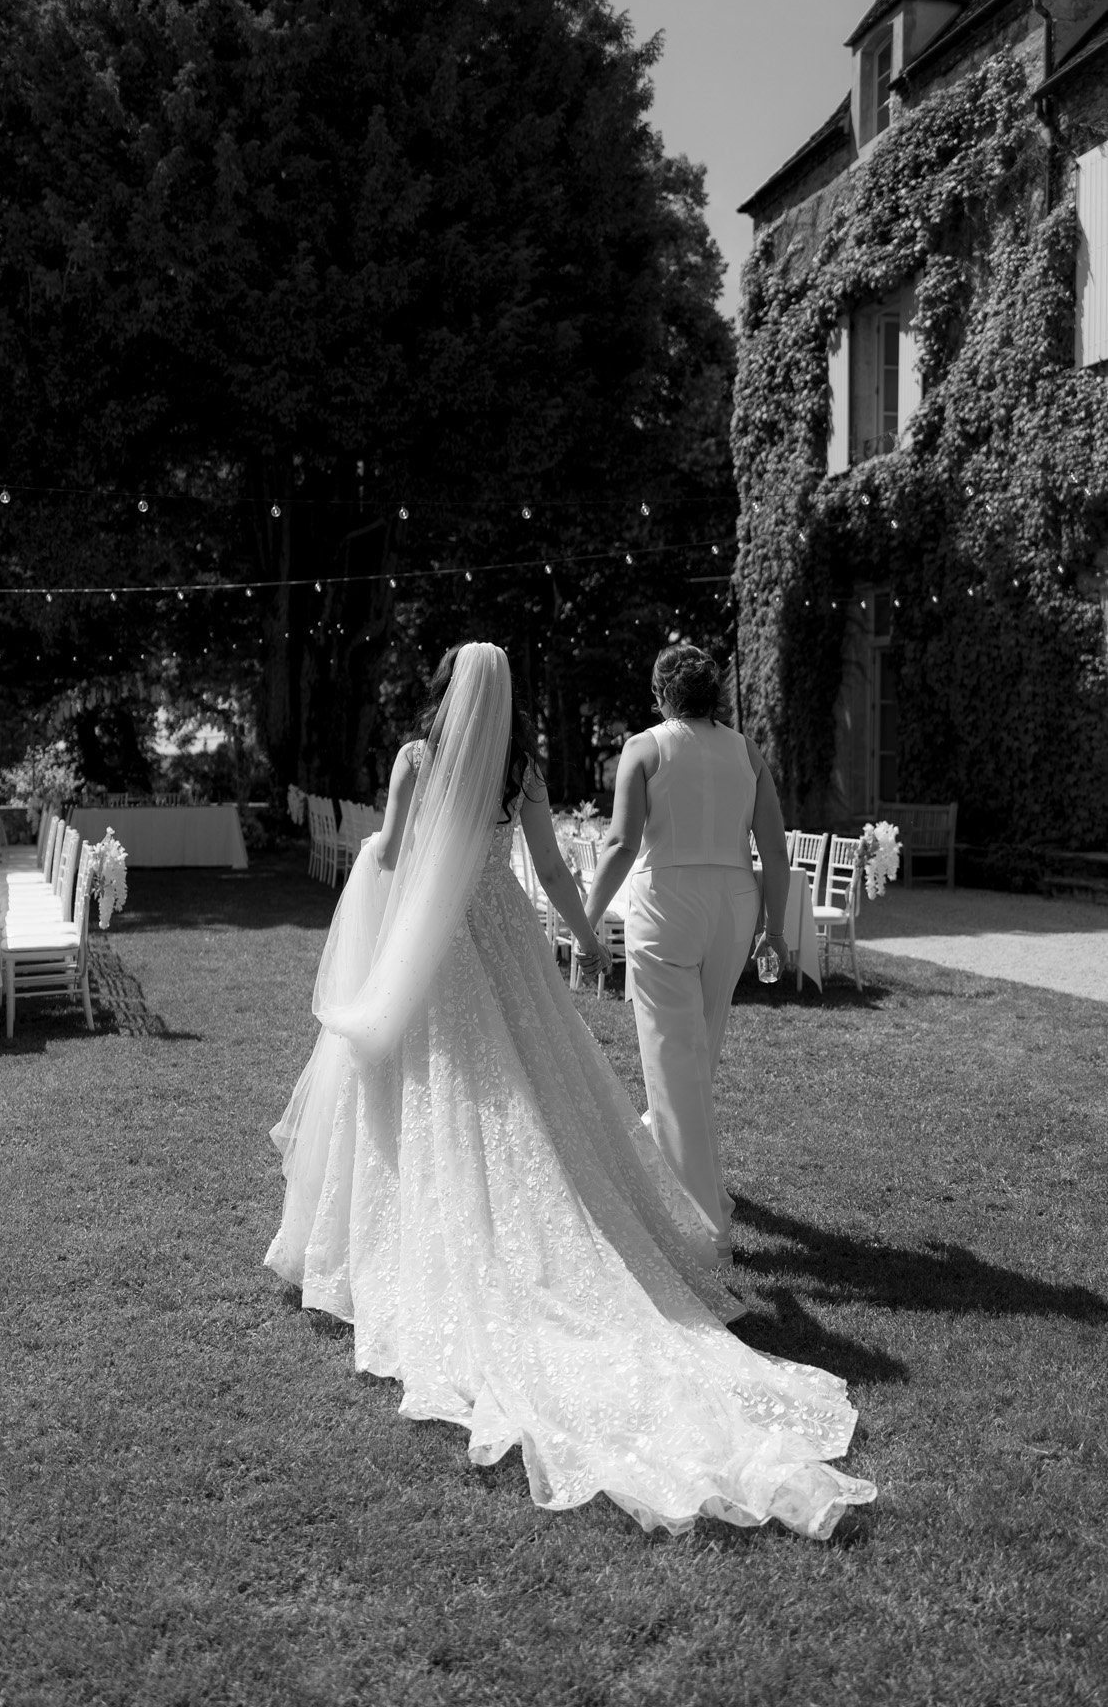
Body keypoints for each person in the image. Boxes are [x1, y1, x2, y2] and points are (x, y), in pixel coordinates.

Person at [266, 642, 872, 1539]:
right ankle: (640, 1203)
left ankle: (400, 1231)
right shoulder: (521, 771)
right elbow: (549, 870)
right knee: (532, 1089)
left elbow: (389, 852)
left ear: (443, 691)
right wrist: (584, 935)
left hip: (433, 945)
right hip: (505, 939)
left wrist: (384, 906)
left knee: (443, 1090)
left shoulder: (414, 760)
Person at [582, 642, 790, 1269]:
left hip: (666, 904)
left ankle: (705, 1233)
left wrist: (585, 919)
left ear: (660, 693)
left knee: (675, 1061)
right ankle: (661, 1169)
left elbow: (620, 843)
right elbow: (775, 853)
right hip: (733, 905)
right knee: (695, 1051)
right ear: (714, 694)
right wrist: (773, 932)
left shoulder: (644, 748)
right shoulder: (746, 751)